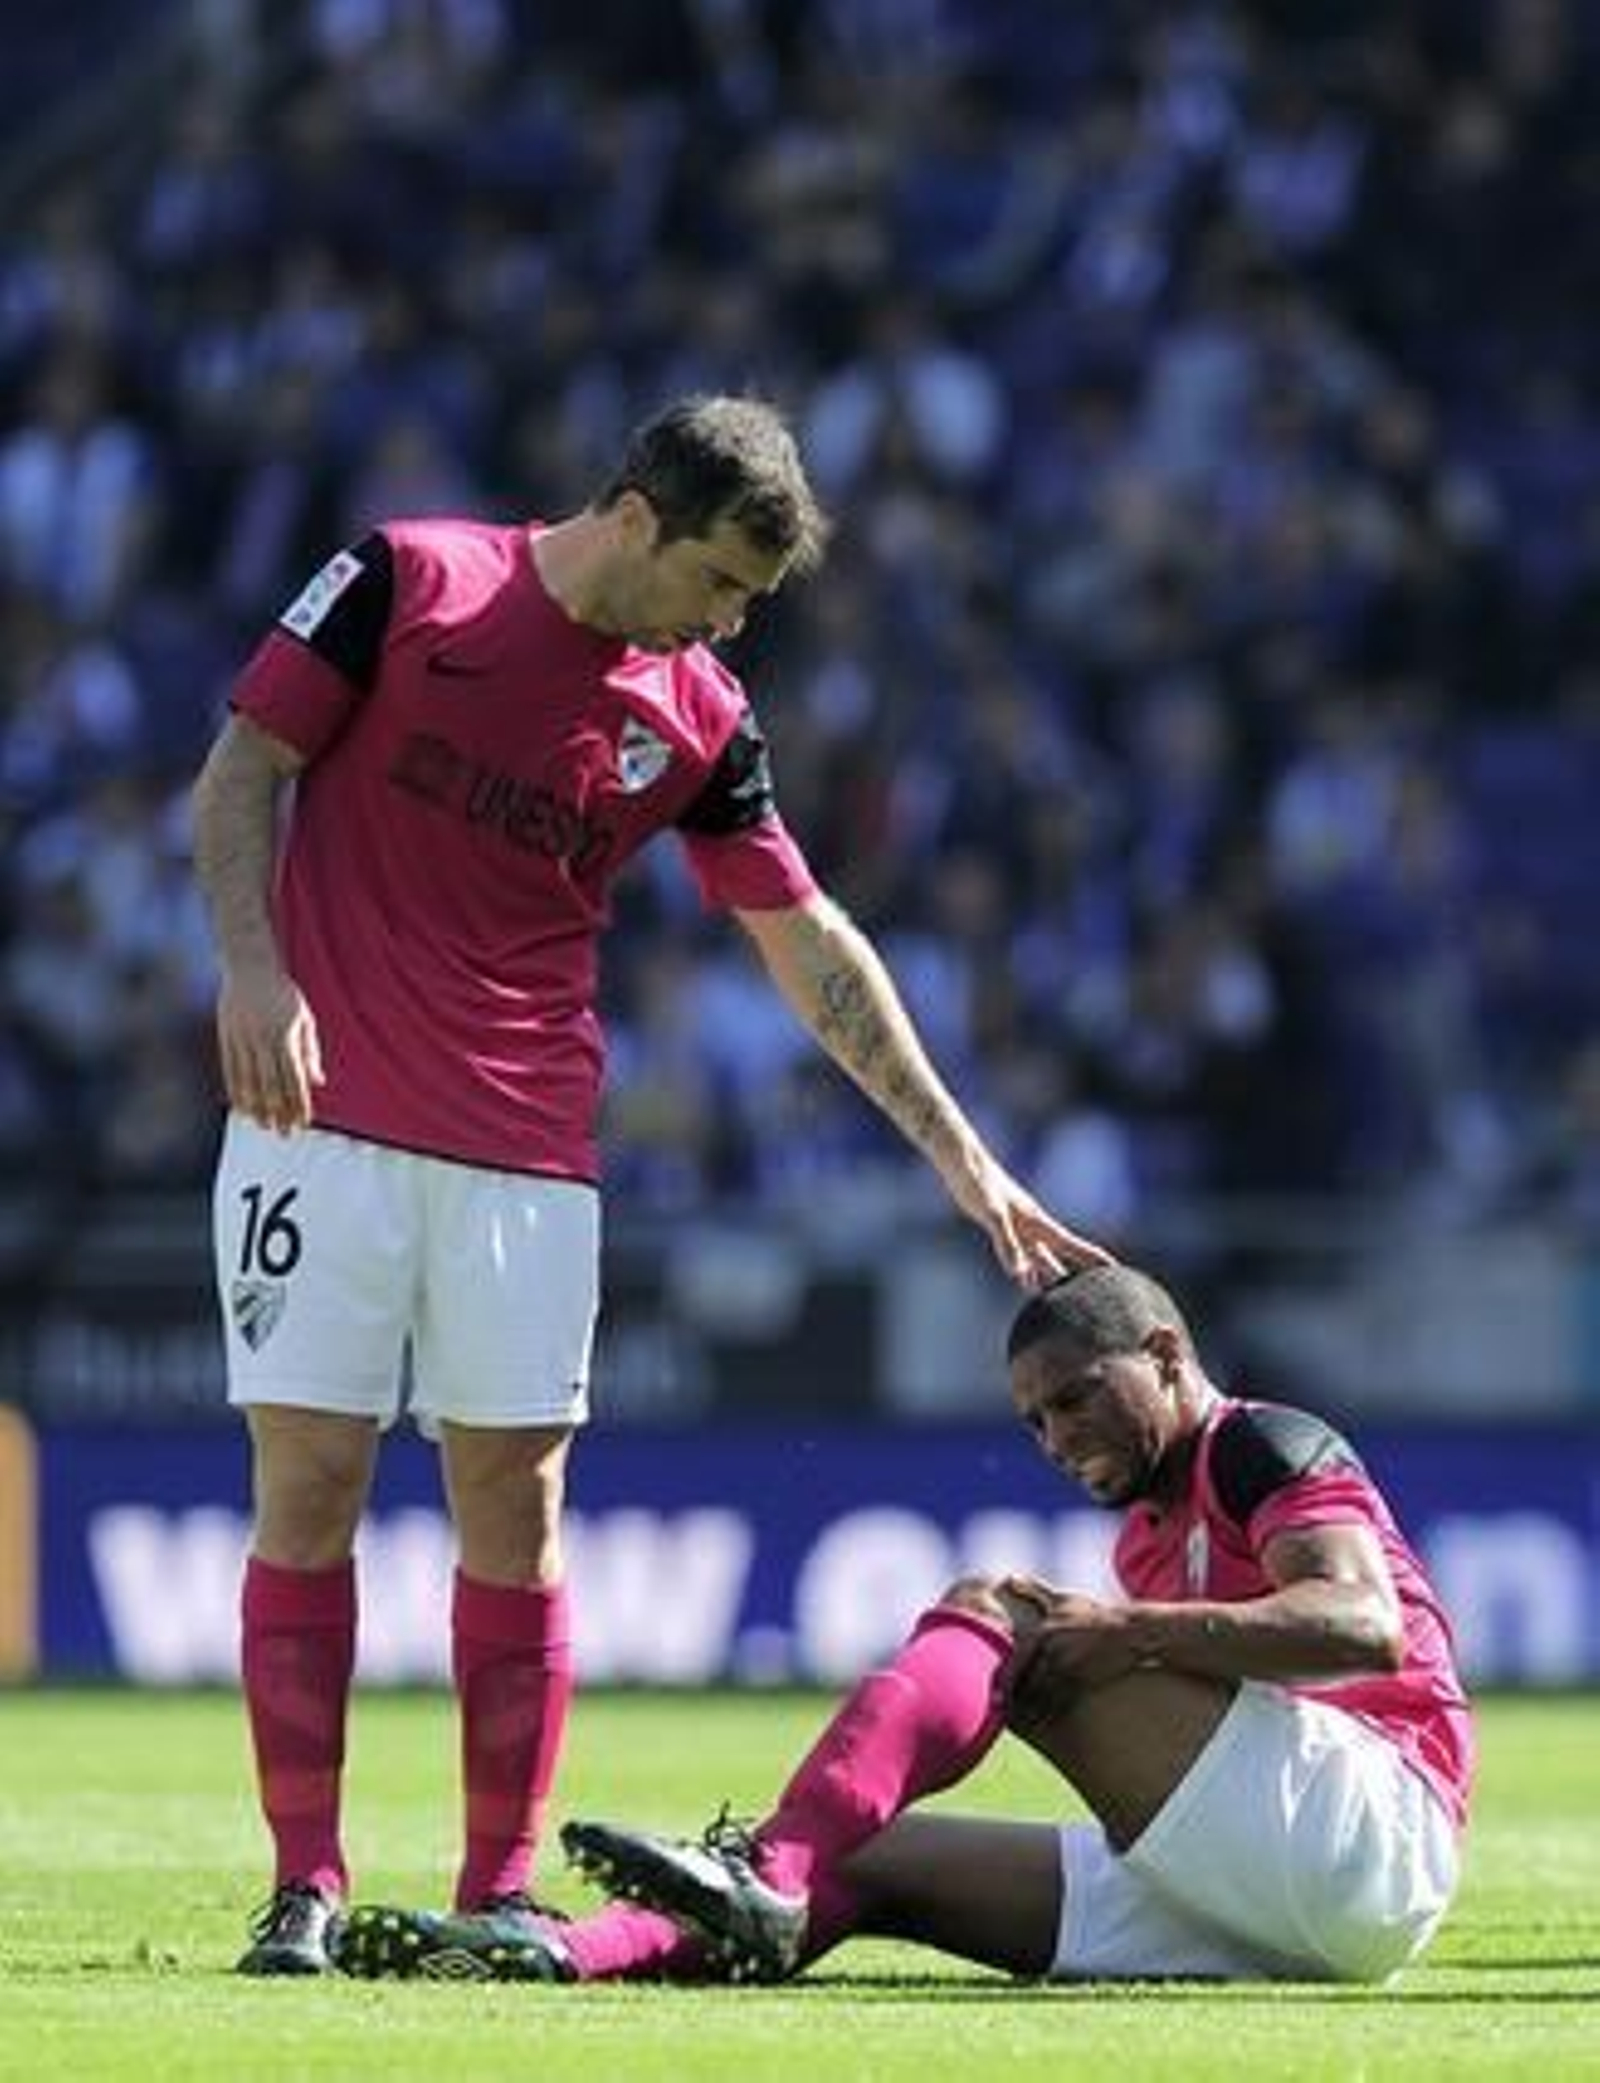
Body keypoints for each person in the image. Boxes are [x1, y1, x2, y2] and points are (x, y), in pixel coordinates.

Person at [191, 393, 1102, 1976]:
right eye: (720, 581)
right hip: (315, 1122)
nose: (730, 621)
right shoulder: (408, 580)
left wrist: (965, 1157)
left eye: (753, 597)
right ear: (633, 516)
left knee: (517, 1505)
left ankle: (496, 1886)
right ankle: (304, 1883)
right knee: (312, 1483)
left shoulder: (698, 715)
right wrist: (253, 970)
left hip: (529, 1156)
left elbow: (807, 940)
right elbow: (242, 766)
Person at [335, 1260, 1473, 1988]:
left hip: (1372, 1836)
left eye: (1075, 1397)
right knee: (870, 1857)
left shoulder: (1259, 1445)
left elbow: (1360, 1622)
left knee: (1003, 1610)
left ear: (1167, 1356)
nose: (1055, 1438)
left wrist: (1133, 1631)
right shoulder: (1144, 1530)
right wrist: (1138, 1629)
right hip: (1259, 1893)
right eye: (1034, 1421)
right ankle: (562, 1952)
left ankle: (770, 1864)